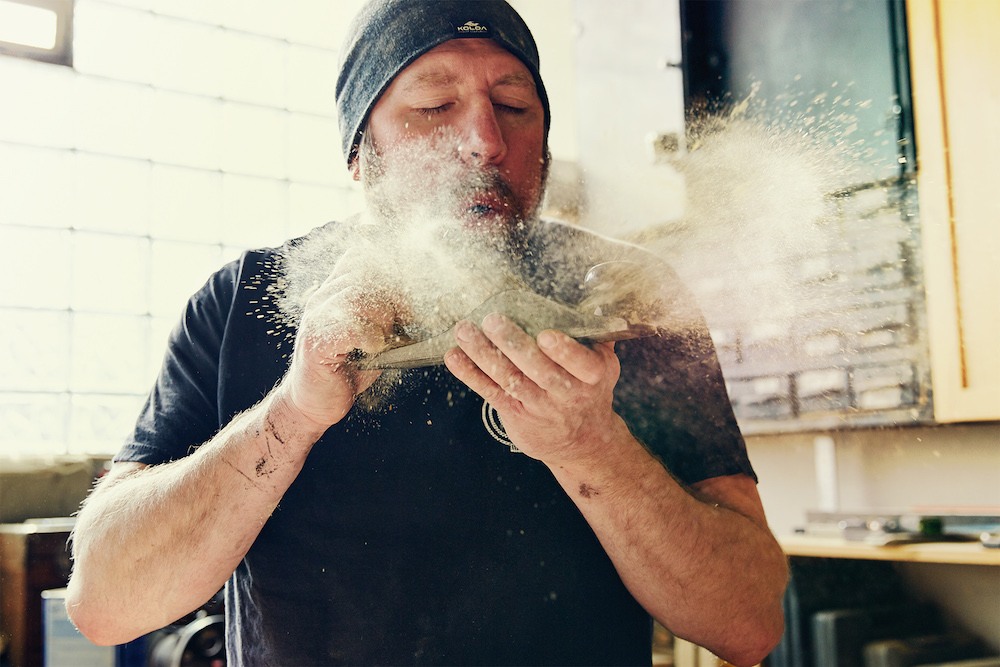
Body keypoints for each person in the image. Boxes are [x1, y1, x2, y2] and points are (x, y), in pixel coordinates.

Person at [65, 1, 788, 665]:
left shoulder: (629, 298)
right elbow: (104, 604)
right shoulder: (241, 303)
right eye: (435, 105)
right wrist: (293, 414)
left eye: (514, 105)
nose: (484, 140)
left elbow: (749, 621)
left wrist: (590, 447)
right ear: (359, 153)